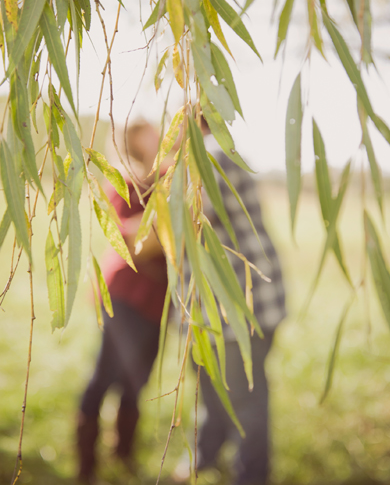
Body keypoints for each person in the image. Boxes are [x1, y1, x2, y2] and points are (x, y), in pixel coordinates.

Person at [177, 119, 287, 485]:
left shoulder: (208, 159)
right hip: (239, 301)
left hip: (237, 304)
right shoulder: (226, 155)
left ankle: (251, 476)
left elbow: (192, 219)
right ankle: (207, 454)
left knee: (245, 398)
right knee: (215, 386)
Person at [76, 121, 167, 484]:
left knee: (137, 380)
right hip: (125, 297)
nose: (160, 132)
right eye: (148, 130)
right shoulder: (125, 181)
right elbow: (128, 239)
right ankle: (86, 466)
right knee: (104, 377)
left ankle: (123, 455)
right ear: (132, 141)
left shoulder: (168, 180)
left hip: (157, 302)